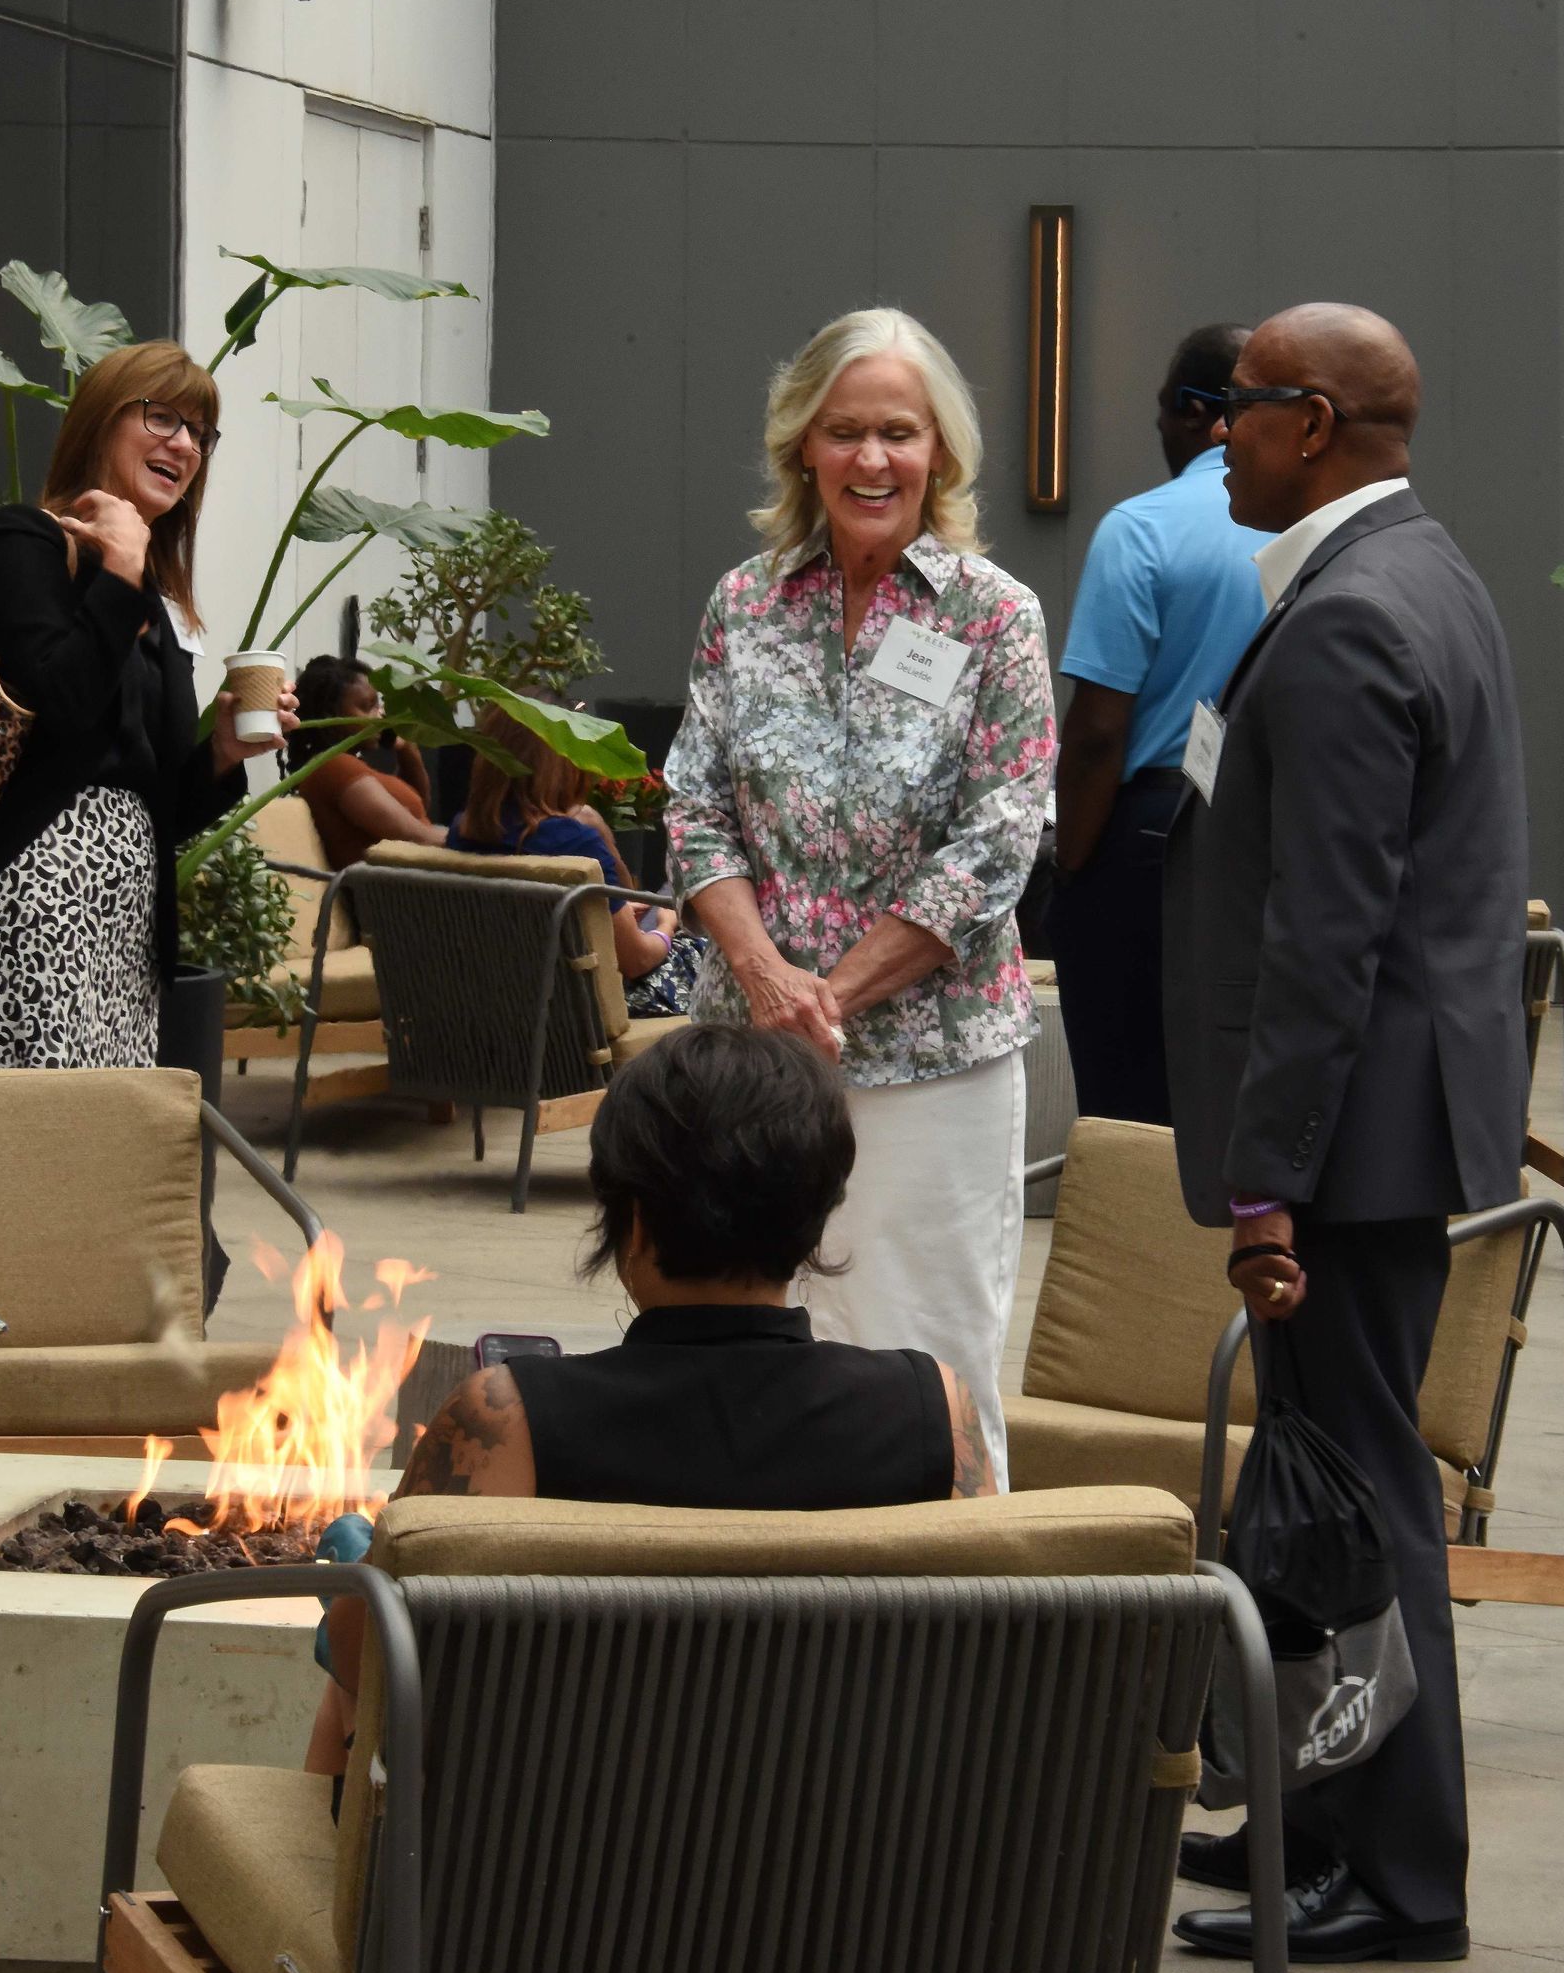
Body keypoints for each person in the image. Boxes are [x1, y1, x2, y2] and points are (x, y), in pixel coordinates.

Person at [1161, 303, 1527, 1967]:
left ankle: (1398, 1872)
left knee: (1366, 1497)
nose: (1212, 433)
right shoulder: (1421, 569)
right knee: (1330, 1484)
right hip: (1395, 1118)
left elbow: (1328, 936)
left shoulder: (1351, 617)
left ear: (1310, 419)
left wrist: (1265, 1186)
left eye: (1234, 408)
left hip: (1350, 1142)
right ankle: (1315, 1817)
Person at [306, 1023, 995, 1775]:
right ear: (813, 1221)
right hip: (849, 1867)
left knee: (354, 1646)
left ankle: (321, 1893)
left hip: (552, 1873)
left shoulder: (507, 1420)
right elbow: (985, 1657)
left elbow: (364, 1660)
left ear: (632, 1224)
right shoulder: (935, 1409)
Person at [664, 308, 1055, 1486]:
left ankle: (957, 1635)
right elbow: (694, 807)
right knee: (739, 1357)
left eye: (899, 431)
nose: (872, 459)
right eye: (846, 432)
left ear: (940, 453)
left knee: (925, 1361)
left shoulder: (993, 616)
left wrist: (827, 994)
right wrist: (770, 984)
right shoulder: (744, 604)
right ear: (803, 448)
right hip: (754, 1062)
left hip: (934, 1065)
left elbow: (997, 839)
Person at [0, 342, 295, 1067]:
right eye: (162, 418)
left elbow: (163, 803)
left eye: (199, 432)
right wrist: (123, 568)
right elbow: (64, 702)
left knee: (106, 1154)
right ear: (101, 422)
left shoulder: (154, 610)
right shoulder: (25, 543)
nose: (186, 445)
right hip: (33, 903)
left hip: (129, 924)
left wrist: (225, 751)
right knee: (39, 1148)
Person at [1050, 324, 1265, 1122]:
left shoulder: (1139, 530)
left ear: (1197, 413)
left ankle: (1137, 1241)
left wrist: (1074, 865)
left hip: (1149, 836)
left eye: (1161, 411)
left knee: (1129, 1095)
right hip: (1272, 830)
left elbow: (1100, 731)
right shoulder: (1310, 526)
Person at [450, 702, 705, 1017]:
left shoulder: (462, 832)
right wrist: (665, 928)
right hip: (579, 1015)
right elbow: (635, 960)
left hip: (494, 1004)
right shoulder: (571, 840)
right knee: (681, 887)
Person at [291, 655, 445, 869]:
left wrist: (407, 750)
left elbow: (417, 813)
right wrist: (476, 842)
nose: (380, 715)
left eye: (378, 704)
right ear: (330, 714)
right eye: (367, 706)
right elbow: (415, 836)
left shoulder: (347, 764)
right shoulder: (334, 767)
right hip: (393, 895)